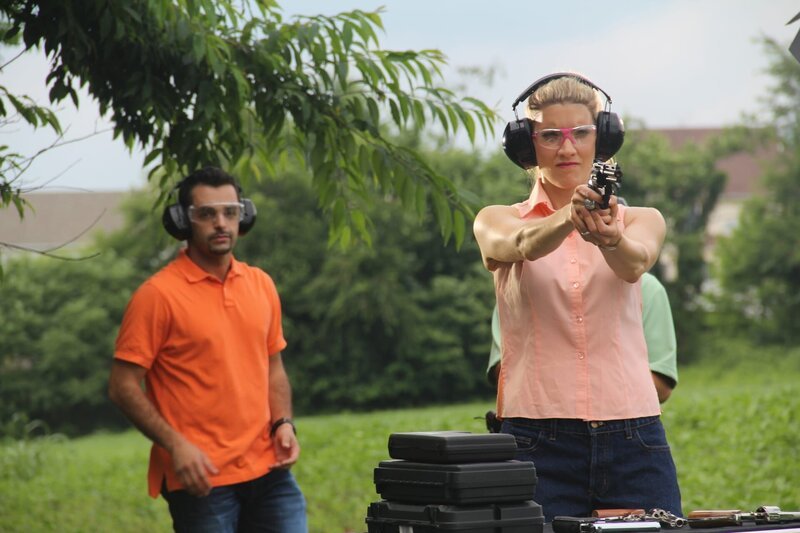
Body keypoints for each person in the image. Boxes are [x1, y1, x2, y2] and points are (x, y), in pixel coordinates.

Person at [473, 72, 682, 520]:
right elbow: (523, 244)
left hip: (634, 435)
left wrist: (610, 239)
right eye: (551, 135)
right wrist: (571, 215)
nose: (567, 148)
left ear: (601, 138)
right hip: (536, 438)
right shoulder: (495, 218)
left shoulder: (643, 218)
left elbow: (634, 265)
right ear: (527, 146)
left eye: (581, 133)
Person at [108, 167, 307, 532]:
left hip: (269, 471)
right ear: (183, 221)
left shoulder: (261, 284)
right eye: (207, 214)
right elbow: (122, 385)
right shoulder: (157, 296)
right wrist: (175, 446)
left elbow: (273, 366)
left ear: (243, 216)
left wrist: (283, 422)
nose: (221, 223)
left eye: (230, 212)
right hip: (202, 480)